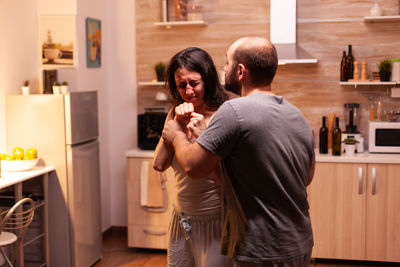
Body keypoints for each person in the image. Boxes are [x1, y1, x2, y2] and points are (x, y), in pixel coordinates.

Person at [162, 37, 316, 267]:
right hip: (299, 242)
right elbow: (308, 176)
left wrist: (175, 134)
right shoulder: (296, 114)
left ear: (240, 70)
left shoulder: (233, 110)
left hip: (262, 248)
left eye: (227, 63)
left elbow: (193, 167)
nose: (224, 69)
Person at [153, 47, 231, 267]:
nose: (188, 91)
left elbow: (227, 180)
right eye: (181, 85)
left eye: (194, 83)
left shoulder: (223, 115)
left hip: (215, 219)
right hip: (182, 218)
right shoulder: (175, 113)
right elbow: (159, 164)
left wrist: (202, 138)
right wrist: (177, 126)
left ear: (207, 80)